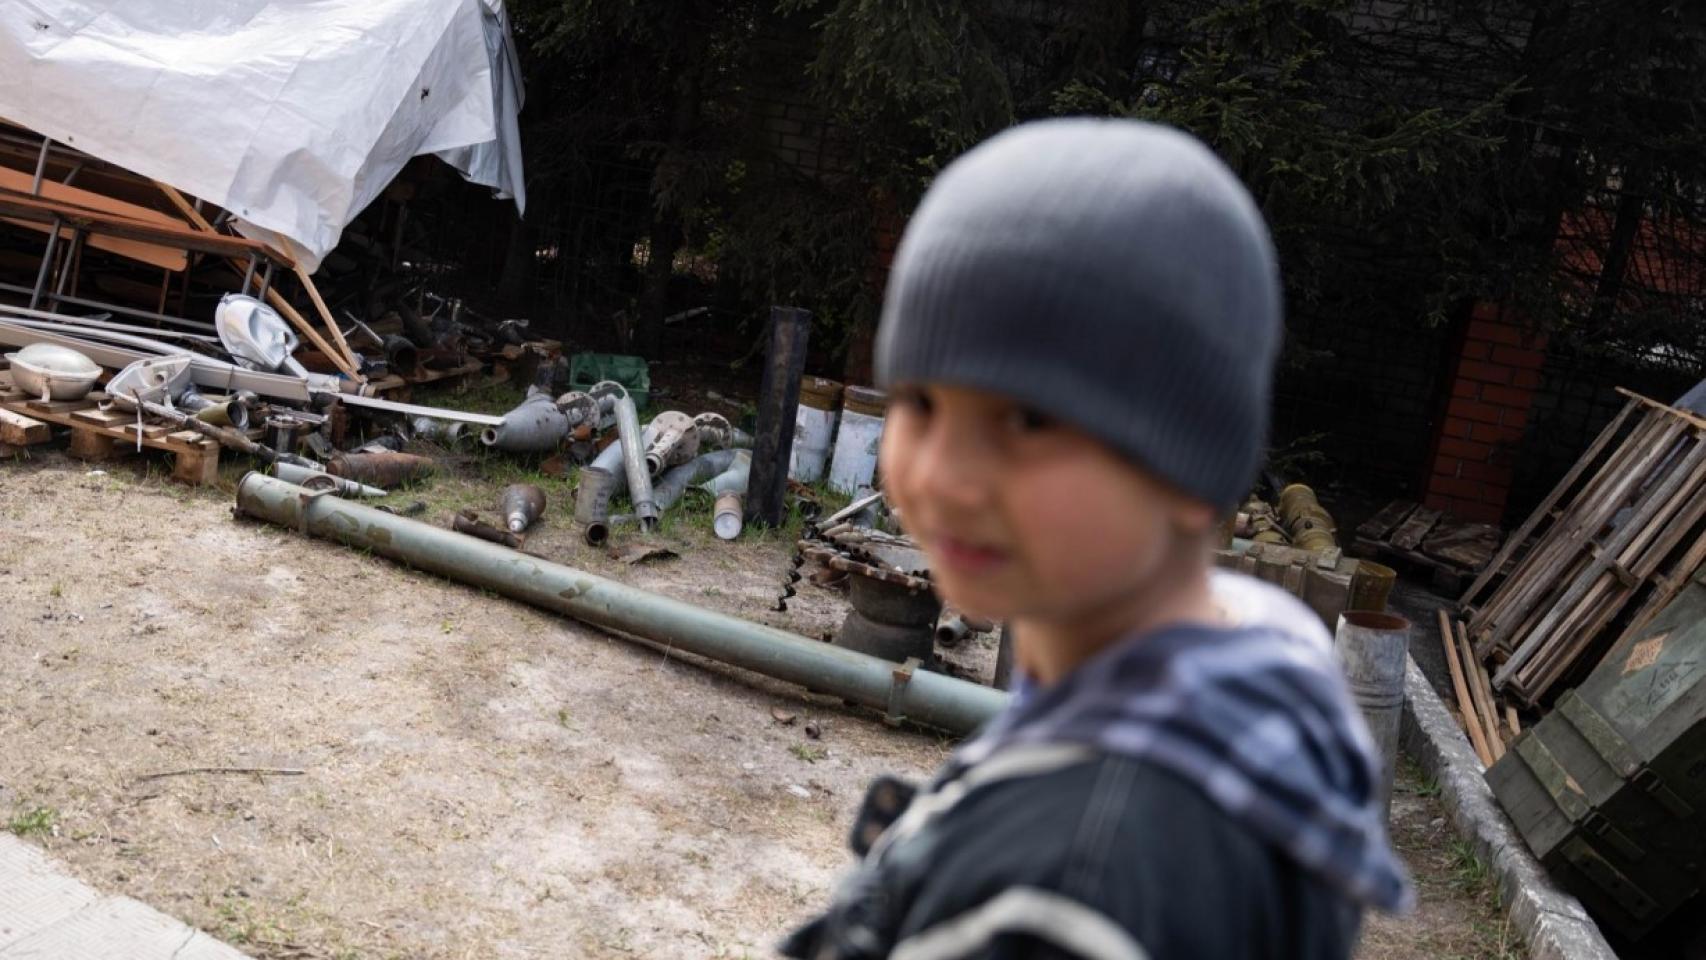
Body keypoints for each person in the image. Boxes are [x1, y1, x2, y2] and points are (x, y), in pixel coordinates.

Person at [781, 118, 1411, 960]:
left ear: (1188, 469)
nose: (942, 476)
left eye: (1029, 418)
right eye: (920, 402)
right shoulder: (1256, 650)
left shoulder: (1076, 892)